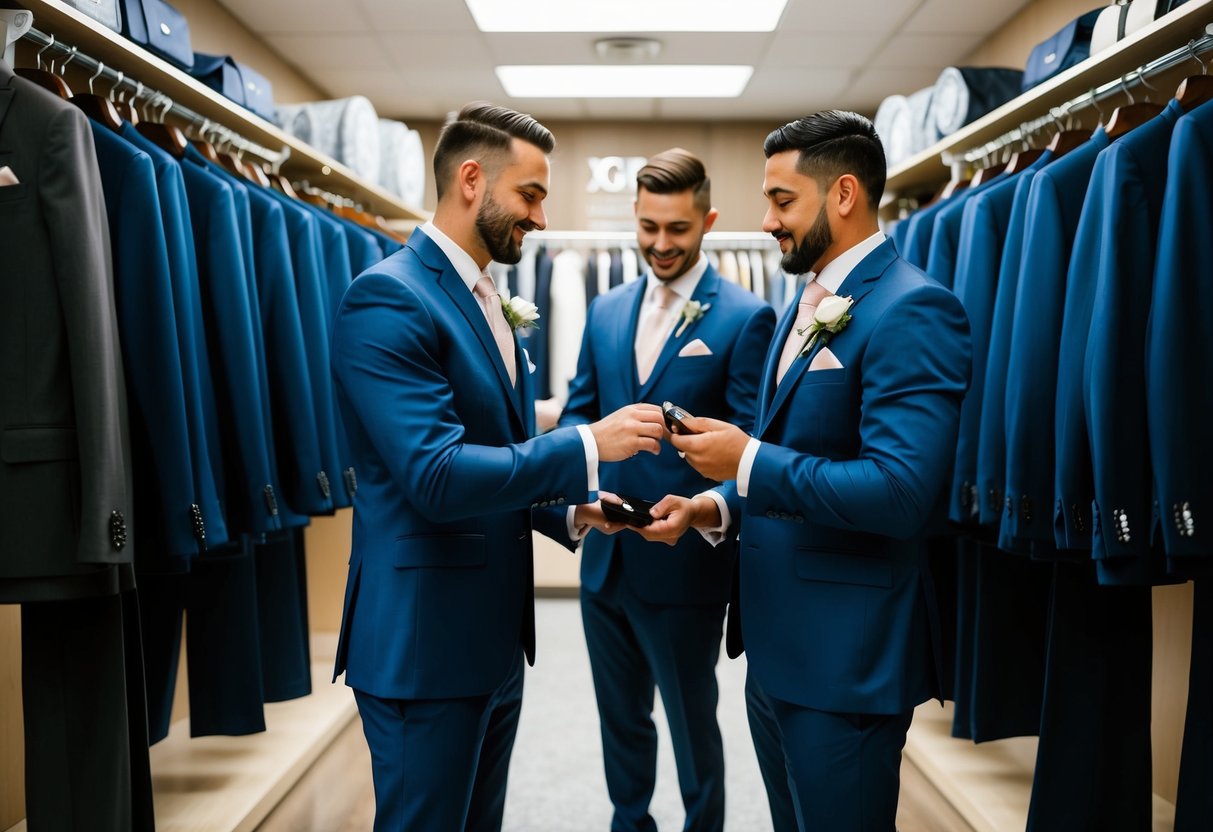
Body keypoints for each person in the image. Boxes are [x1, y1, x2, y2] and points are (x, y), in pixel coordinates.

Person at [329, 101, 666, 832]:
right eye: (531, 194)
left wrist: (574, 509)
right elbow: (437, 475)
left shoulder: (487, 296)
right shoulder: (388, 297)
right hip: (424, 645)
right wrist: (585, 445)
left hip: (490, 643)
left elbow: (494, 452)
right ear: (472, 180)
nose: (541, 218)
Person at [642, 111, 972, 830]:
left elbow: (900, 492)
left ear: (843, 193)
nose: (766, 221)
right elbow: (790, 451)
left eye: (782, 200)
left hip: (846, 659)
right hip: (776, 651)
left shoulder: (914, 308)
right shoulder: (803, 302)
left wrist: (747, 458)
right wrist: (712, 506)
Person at [558, 148, 775, 832]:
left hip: (685, 566)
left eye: (677, 228)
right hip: (605, 561)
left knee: (690, 724)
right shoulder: (604, 309)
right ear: (634, 215)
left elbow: (750, 448)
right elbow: (578, 411)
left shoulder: (745, 316)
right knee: (620, 723)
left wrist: (707, 509)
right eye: (648, 226)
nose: (660, 243)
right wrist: (578, 488)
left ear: (707, 221)